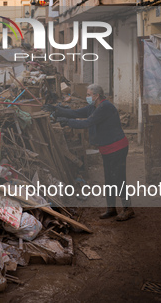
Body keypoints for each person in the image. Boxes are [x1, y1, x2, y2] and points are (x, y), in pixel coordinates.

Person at [44, 84, 135, 221]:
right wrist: (56, 110)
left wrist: (67, 122)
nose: (87, 97)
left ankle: (128, 209)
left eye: (88, 94)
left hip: (117, 148)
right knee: (109, 179)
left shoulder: (105, 107)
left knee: (118, 179)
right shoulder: (94, 107)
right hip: (107, 149)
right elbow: (76, 113)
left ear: (96, 96)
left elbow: (87, 123)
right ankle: (111, 208)